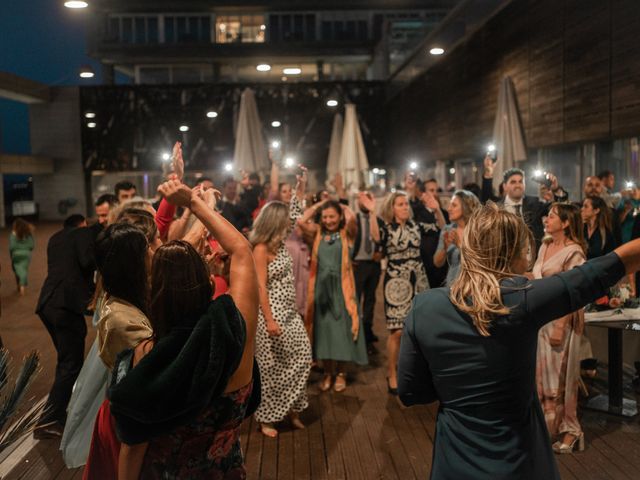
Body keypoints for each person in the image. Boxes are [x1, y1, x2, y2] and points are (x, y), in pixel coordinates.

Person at [397, 202, 640, 479]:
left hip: (455, 460)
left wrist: (457, 390)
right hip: (518, 461)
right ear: (514, 252)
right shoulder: (523, 299)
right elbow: (598, 272)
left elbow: (410, 392)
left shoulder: (424, 308)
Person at [111, 180, 258, 479]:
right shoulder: (234, 332)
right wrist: (196, 202)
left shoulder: (144, 358)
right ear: (208, 283)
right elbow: (241, 250)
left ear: (155, 296)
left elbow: (132, 449)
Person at [62, 209, 159, 469]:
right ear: (133, 264)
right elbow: (153, 372)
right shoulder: (121, 319)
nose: (153, 253)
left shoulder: (127, 299)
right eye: (147, 249)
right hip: (127, 423)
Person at [250, 171, 312, 438]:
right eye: (284, 220)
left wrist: (301, 187)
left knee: (303, 356)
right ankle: (268, 418)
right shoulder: (261, 248)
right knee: (271, 367)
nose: (289, 223)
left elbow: (297, 215)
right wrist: (270, 319)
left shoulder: (282, 241)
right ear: (275, 222)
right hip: (270, 316)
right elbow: (259, 286)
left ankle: (292, 409)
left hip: (289, 311)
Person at [359, 190, 438, 394]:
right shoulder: (387, 227)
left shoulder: (416, 225)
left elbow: (440, 227)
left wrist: (437, 209)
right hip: (396, 282)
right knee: (397, 331)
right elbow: (376, 237)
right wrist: (371, 212)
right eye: (400, 204)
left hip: (419, 280)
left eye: (405, 204)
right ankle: (392, 372)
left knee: (421, 330)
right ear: (392, 208)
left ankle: (417, 370)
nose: (405, 207)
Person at [34, 214, 98, 438]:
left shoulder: (55, 238)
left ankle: (56, 414)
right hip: (65, 306)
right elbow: (87, 261)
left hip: (47, 304)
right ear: (83, 224)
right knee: (70, 364)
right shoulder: (83, 233)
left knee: (66, 362)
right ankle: (48, 420)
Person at [533, 203, 588, 454]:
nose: (547, 218)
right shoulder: (545, 245)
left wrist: (560, 326)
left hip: (561, 323)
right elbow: (536, 278)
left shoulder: (573, 252)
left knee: (561, 378)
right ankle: (547, 430)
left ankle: (570, 431)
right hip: (541, 321)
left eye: (553, 216)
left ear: (566, 223)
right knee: (542, 380)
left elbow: (574, 294)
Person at [298, 199, 368, 392]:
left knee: (342, 332)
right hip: (321, 290)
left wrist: (340, 203)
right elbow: (301, 221)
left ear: (340, 217)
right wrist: (320, 204)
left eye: (332, 216)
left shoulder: (347, 234)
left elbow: (353, 219)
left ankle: (342, 374)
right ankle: (328, 372)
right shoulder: (318, 234)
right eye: (325, 217)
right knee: (325, 333)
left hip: (342, 289)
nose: (328, 220)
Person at [481, 156, 567, 250]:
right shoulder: (497, 208)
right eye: (513, 182)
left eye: (520, 181)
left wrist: (556, 190)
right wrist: (488, 173)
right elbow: (485, 199)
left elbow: (561, 209)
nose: (518, 185)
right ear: (505, 186)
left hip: (534, 258)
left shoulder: (535, 204)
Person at [352, 192, 383, 345]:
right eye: (361, 199)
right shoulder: (353, 219)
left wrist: (380, 252)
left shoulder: (377, 219)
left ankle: (367, 330)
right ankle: (355, 330)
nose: (364, 202)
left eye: (367, 199)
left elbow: (383, 238)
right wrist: (350, 259)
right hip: (358, 264)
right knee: (356, 298)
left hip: (373, 264)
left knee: (370, 298)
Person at [433, 190, 480, 286]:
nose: (449, 209)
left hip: (474, 285)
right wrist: (445, 248)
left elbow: (480, 262)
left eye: (454, 205)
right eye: (449, 205)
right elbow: (437, 263)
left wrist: (459, 245)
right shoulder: (448, 229)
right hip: (452, 285)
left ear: (466, 207)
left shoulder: (478, 230)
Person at [9, 218, 35, 295]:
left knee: (17, 270)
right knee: (23, 270)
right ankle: (21, 285)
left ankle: (20, 285)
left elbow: (11, 247)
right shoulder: (28, 234)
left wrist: (12, 255)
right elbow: (32, 245)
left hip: (16, 255)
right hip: (26, 255)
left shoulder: (13, 234)